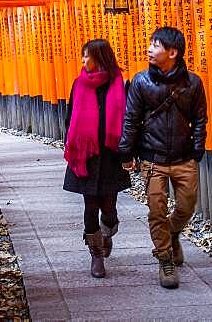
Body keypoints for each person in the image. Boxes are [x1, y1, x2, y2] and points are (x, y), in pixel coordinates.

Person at [118, 26, 208, 289]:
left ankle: (172, 232)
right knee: (156, 210)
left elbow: (200, 119)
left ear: (173, 52)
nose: (149, 49)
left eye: (155, 45)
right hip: (153, 158)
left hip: (183, 158)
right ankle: (165, 259)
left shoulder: (193, 83)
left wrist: (197, 149)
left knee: (186, 206)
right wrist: (126, 152)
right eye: (150, 44)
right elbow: (131, 120)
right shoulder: (141, 81)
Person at [62, 38, 131, 278]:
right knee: (90, 207)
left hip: (110, 156)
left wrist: (127, 152)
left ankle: (106, 233)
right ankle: (96, 254)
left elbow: (127, 120)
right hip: (87, 157)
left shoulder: (118, 83)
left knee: (109, 209)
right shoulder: (79, 84)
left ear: (100, 58)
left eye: (86, 56)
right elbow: (70, 118)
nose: (83, 60)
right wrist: (72, 148)